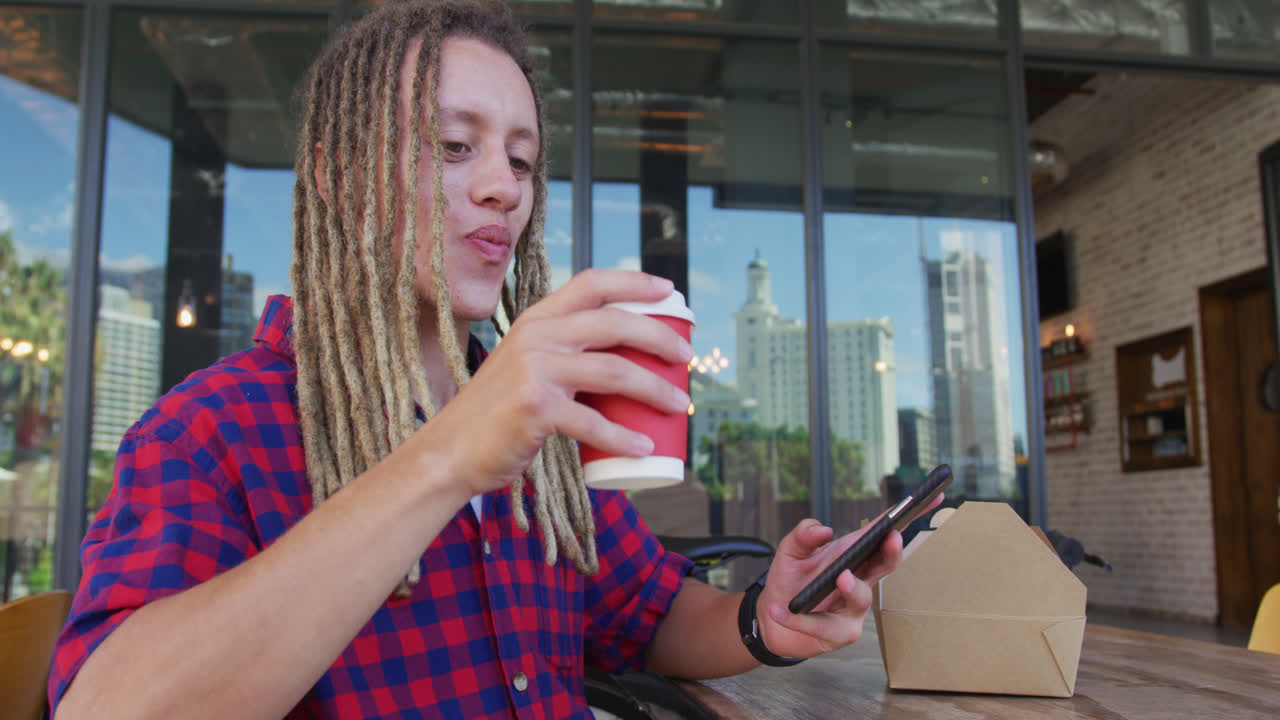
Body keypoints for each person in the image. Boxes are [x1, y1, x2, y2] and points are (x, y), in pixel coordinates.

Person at [48, 2, 929, 718]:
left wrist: (768, 612)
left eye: (522, 158)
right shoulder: (211, 431)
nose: (503, 187)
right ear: (336, 174)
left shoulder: (542, 426)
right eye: (452, 145)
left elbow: (648, 611)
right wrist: (450, 454)